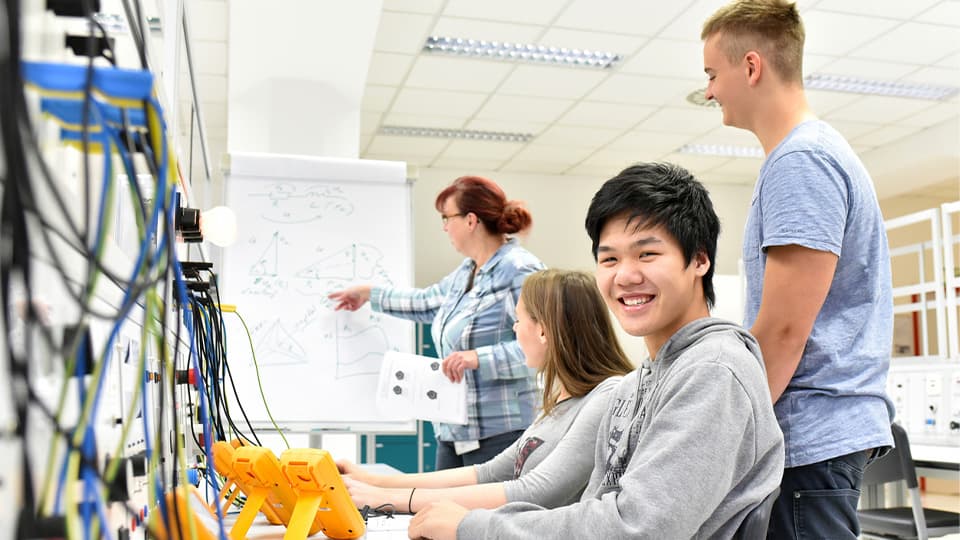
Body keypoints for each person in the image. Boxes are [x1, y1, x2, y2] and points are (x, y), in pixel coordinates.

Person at [408, 163, 785, 540]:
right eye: (609, 259)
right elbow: (596, 507)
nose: (625, 275)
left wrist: (471, 527)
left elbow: (634, 528)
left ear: (699, 260)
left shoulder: (713, 372)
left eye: (647, 254)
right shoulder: (638, 382)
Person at [701, 2, 895, 537]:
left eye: (713, 74)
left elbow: (784, 331)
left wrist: (723, 441)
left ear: (752, 67)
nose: (711, 91)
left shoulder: (801, 161)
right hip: (811, 432)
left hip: (808, 433)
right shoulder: (804, 156)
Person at [336, 269, 634, 513]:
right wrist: (371, 481)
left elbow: (536, 490)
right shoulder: (560, 400)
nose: (515, 329)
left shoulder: (607, 395)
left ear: (543, 330)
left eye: (518, 320)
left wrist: (384, 499)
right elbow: (488, 473)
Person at [328, 176, 545, 470]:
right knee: (440, 511)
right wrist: (368, 295)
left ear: (471, 220)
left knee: (481, 515)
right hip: (455, 429)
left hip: (502, 432)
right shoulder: (467, 272)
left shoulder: (518, 270)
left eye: (447, 218)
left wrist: (477, 358)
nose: (444, 227)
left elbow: (545, 347)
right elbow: (425, 302)